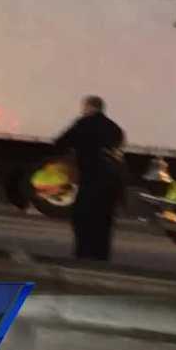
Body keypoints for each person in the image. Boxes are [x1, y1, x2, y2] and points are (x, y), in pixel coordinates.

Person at [53, 96, 126, 261]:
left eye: (84, 108)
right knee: (104, 220)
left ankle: (83, 253)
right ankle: (101, 255)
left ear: (89, 107)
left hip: (91, 179)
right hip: (111, 182)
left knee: (83, 216)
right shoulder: (115, 128)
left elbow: (60, 143)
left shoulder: (83, 124)